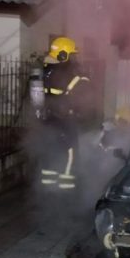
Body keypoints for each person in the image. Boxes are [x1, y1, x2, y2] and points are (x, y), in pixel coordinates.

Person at [37, 36, 91, 189]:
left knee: (50, 147)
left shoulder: (45, 70)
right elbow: (83, 94)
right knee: (70, 150)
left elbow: (37, 95)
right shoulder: (68, 74)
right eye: (72, 54)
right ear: (63, 55)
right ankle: (67, 183)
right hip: (65, 117)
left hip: (48, 117)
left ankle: (48, 183)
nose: (74, 57)